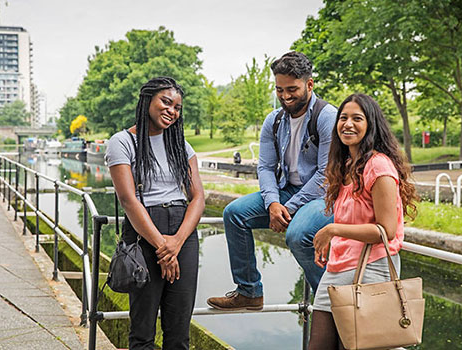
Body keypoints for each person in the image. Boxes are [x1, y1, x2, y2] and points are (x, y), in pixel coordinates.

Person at [207, 51, 337, 311]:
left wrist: (287, 208)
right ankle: (249, 291)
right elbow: (265, 167)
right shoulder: (274, 120)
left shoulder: (327, 117)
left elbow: (326, 175)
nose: (286, 96)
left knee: (298, 234)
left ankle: (329, 300)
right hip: (286, 192)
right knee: (234, 213)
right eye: (280, 90)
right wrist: (273, 204)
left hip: (324, 196)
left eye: (292, 89)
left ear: (309, 85)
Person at [308, 93, 418, 349]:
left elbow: (386, 230)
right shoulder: (346, 164)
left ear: (371, 125)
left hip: (370, 267)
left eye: (357, 118)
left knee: (358, 345)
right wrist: (332, 244)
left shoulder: (378, 166)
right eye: (343, 118)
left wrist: (333, 230)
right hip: (338, 267)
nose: (348, 124)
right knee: (320, 343)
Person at [105, 76, 205, 350]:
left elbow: (197, 198)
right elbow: (128, 200)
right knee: (142, 331)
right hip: (143, 233)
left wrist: (176, 243)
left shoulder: (181, 146)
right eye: (166, 102)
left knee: (179, 330)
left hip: (182, 234)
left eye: (177, 107)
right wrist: (163, 247)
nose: (172, 111)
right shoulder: (122, 142)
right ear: (148, 99)